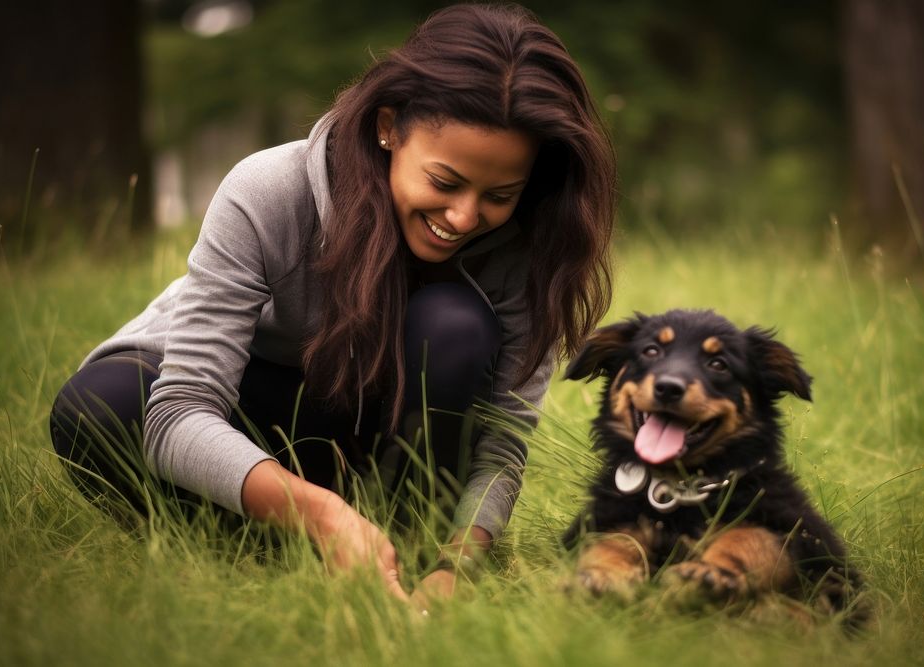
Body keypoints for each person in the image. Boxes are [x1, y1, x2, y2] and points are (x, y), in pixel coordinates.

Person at [49, 3, 615, 604]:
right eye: (445, 182)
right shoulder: (268, 189)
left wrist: (458, 565)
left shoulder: (532, 245)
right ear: (388, 127)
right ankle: (280, 554)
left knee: (453, 327)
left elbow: (501, 441)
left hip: (377, 431)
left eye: (499, 194)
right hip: (246, 420)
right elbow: (180, 411)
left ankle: (411, 551)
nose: (464, 217)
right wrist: (322, 517)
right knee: (97, 406)